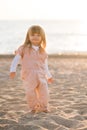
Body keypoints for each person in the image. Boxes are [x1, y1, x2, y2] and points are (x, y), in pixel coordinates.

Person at [10, 25, 53, 113]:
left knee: (44, 92)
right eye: (33, 35)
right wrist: (12, 70)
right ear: (28, 37)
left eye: (38, 35)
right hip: (29, 75)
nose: (35, 37)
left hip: (41, 75)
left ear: (42, 37)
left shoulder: (43, 51)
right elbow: (16, 59)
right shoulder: (23, 49)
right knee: (30, 93)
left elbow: (45, 65)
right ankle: (33, 108)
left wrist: (49, 76)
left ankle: (43, 107)